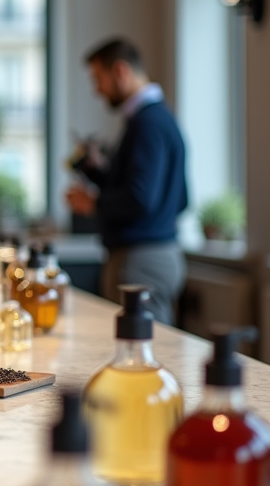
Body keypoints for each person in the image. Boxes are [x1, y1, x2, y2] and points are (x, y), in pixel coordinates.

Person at [65, 37, 189, 325]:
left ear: (120, 71)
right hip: (156, 256)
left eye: (99, 79)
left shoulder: (148, 124)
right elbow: (180, 199)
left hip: (140, 262)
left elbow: (139, 198)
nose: (97, 90)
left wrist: (92, 203)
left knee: (141, 357)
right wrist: (98, 173)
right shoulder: (156, 120)